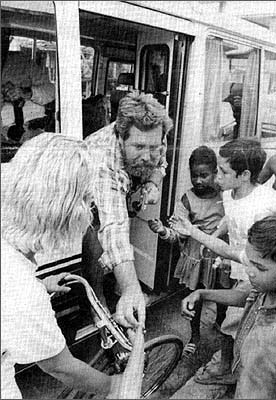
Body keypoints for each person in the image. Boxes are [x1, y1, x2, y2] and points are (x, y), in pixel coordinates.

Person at [1, 133, 127, 399]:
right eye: (87, 200)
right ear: (65, 212)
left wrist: (41, 284)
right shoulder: (23, 292)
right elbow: (60, 367)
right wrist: (117, 387)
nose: (90, 210)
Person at [171, 138, 276, 384]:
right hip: (243, 267)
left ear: (244, 175)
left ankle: (231, 370)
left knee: (233, 321)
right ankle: (231, 363)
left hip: (258, 272)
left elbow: (241, 252)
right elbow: (228, 221)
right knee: (236, 320)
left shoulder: (262, 206)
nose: (217, 176)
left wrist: (194, 232)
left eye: (223, 171)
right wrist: (213, 237)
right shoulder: (230, 194)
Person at [178, 212, 276, 399]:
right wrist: (202, 294)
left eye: (259, 267)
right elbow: (248, 297)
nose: (248, 271)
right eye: (248, 261)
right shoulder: (272, 284)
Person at [84, 92, 173, 328]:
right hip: (86, 193)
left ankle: (116, 276)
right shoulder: (101, 156)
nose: (147, 156)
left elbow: (160, 163)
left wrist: (153, 183)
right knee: (96, 232)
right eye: (138, 147)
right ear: (121, 137)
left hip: (123, 184)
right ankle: (97, 296)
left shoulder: (156, 133)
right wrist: (132, 289)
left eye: (153, 147)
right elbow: (114, 226)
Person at [148, 146, 225, 358]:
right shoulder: (187, 199)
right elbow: (178, 234)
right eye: (194, 175)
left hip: (220, 257)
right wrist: (164, 231)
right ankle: (195, 335)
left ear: (215, 173)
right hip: (197, 260)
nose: (198, 180)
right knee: (195, 299)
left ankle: (221, 324)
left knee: (222, 295)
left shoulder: (225, 194)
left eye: (204, 175)